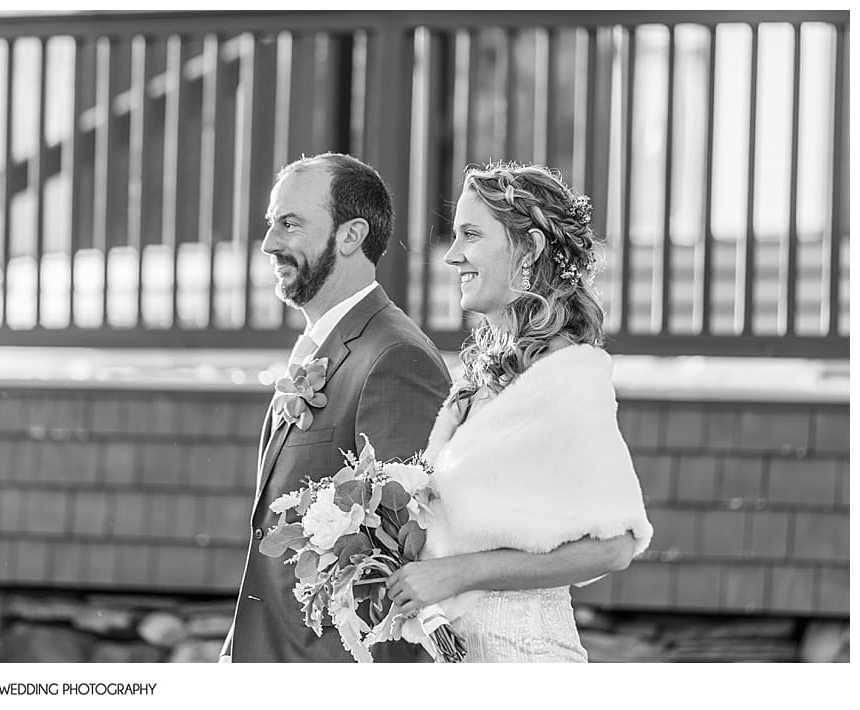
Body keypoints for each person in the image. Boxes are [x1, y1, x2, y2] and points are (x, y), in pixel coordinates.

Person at [385, 161, 653, 662]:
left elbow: (614, 545)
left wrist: (459, 571)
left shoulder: (569, 374)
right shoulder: (486, 377)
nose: (452, 256)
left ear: (527, 248)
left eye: (470, 235)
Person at [220, 153, 452, 662]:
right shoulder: (323, 345)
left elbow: (400, 579)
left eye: (290, 224)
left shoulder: (395, 359)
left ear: (350, 236)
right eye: (270, 224)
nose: (269, 243)